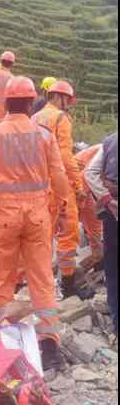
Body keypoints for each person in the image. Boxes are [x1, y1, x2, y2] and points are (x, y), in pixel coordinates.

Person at [0, 76, 71, 371]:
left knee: (1, 278)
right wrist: (65, 209)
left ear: (6, 103)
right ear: (32, 103)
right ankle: (49, 344)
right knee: (42, 278)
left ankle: (4, 343)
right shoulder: (44, 135)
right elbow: (59, 178)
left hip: (4, 216)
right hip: (38, 216)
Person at [32, 80, 93, 298]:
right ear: (61, 97)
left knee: (43, 235)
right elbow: (66, 157)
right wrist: (78, 186)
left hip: (38, 184)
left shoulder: (35, 117)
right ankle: (67, 283)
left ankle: (39, 284)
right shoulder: (60, 118)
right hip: (59, 184)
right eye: (68, 100)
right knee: (68, 233)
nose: (69, 105)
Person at [84, 132, 118, 336]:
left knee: (113, 270)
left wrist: (107, 199)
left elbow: (90, 172)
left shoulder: (110, 141)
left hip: (112, 213)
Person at [75, 143, 104, 268]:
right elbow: (86, 176)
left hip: (83, 187)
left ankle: (98, 256)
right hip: (79, 187)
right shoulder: (107, 151)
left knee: (94, 227)